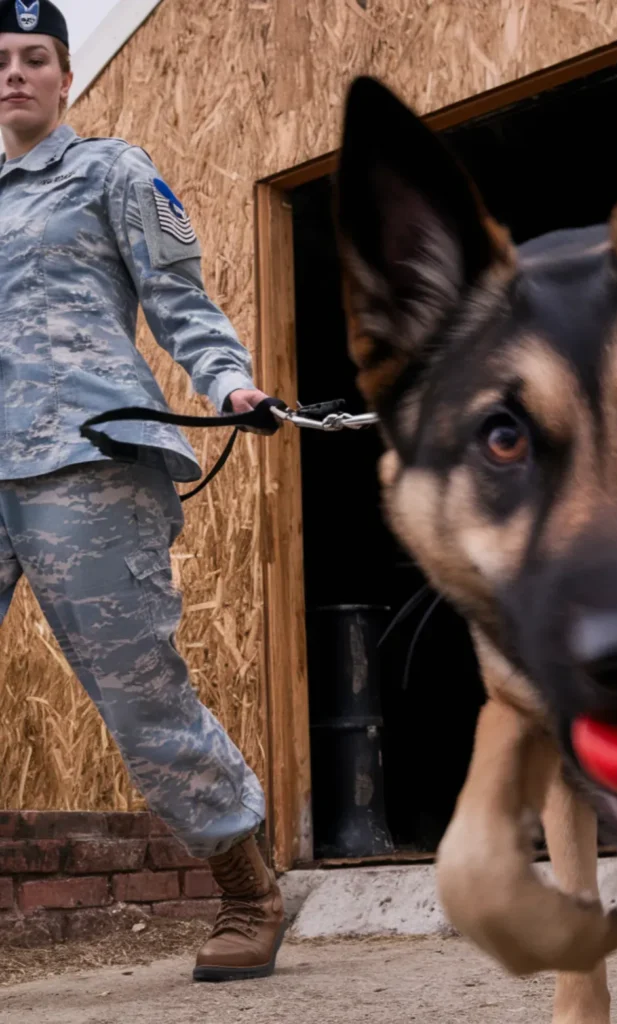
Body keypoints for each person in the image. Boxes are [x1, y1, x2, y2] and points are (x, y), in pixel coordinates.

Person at [0, 0, 285, 982]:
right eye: (0, 60)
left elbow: (182, 303)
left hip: (86, 460)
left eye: (34, 58)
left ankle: (247, 888)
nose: (14, 74)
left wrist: (227, 381)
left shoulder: (109, 174)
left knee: (139, 698)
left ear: (65, 76)